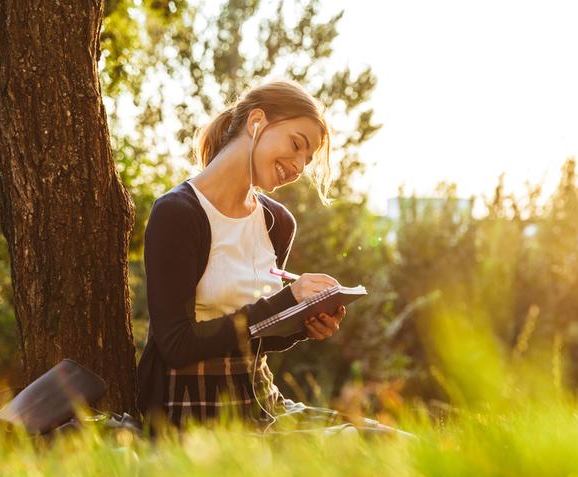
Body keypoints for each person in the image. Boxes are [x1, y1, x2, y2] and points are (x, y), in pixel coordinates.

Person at [136, 79, 414, 439]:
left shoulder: (277, 222)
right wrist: (286, 300)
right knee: (371, 444)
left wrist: (301, 324)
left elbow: (255, 336)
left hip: (264, 402)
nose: (299, 166)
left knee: (395, 439)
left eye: (308, 159)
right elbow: (176, 345)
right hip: (192, 415)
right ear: (256, 122)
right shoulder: (177, 213)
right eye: (296, 145)